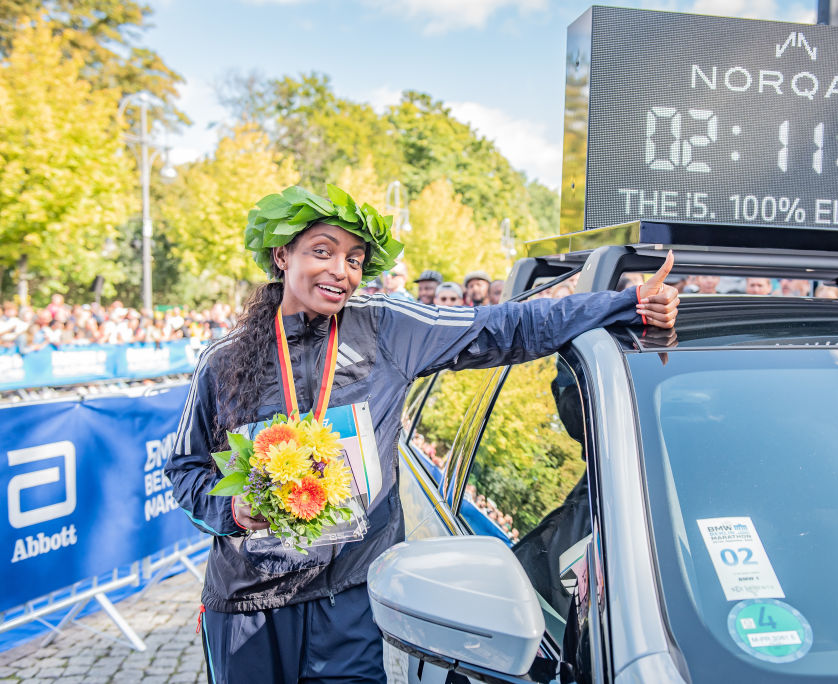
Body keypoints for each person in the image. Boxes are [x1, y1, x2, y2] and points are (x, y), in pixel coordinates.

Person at [164, 184, 679, 684]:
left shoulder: (388, 326)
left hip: (349, 600)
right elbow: (185, 472)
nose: (340, 271)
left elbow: (505, 328)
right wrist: (233, 511)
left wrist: (626, 304)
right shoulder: (224, 360)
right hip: (250, 606)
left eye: (355, 259)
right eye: (323, 251)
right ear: (282, 254)